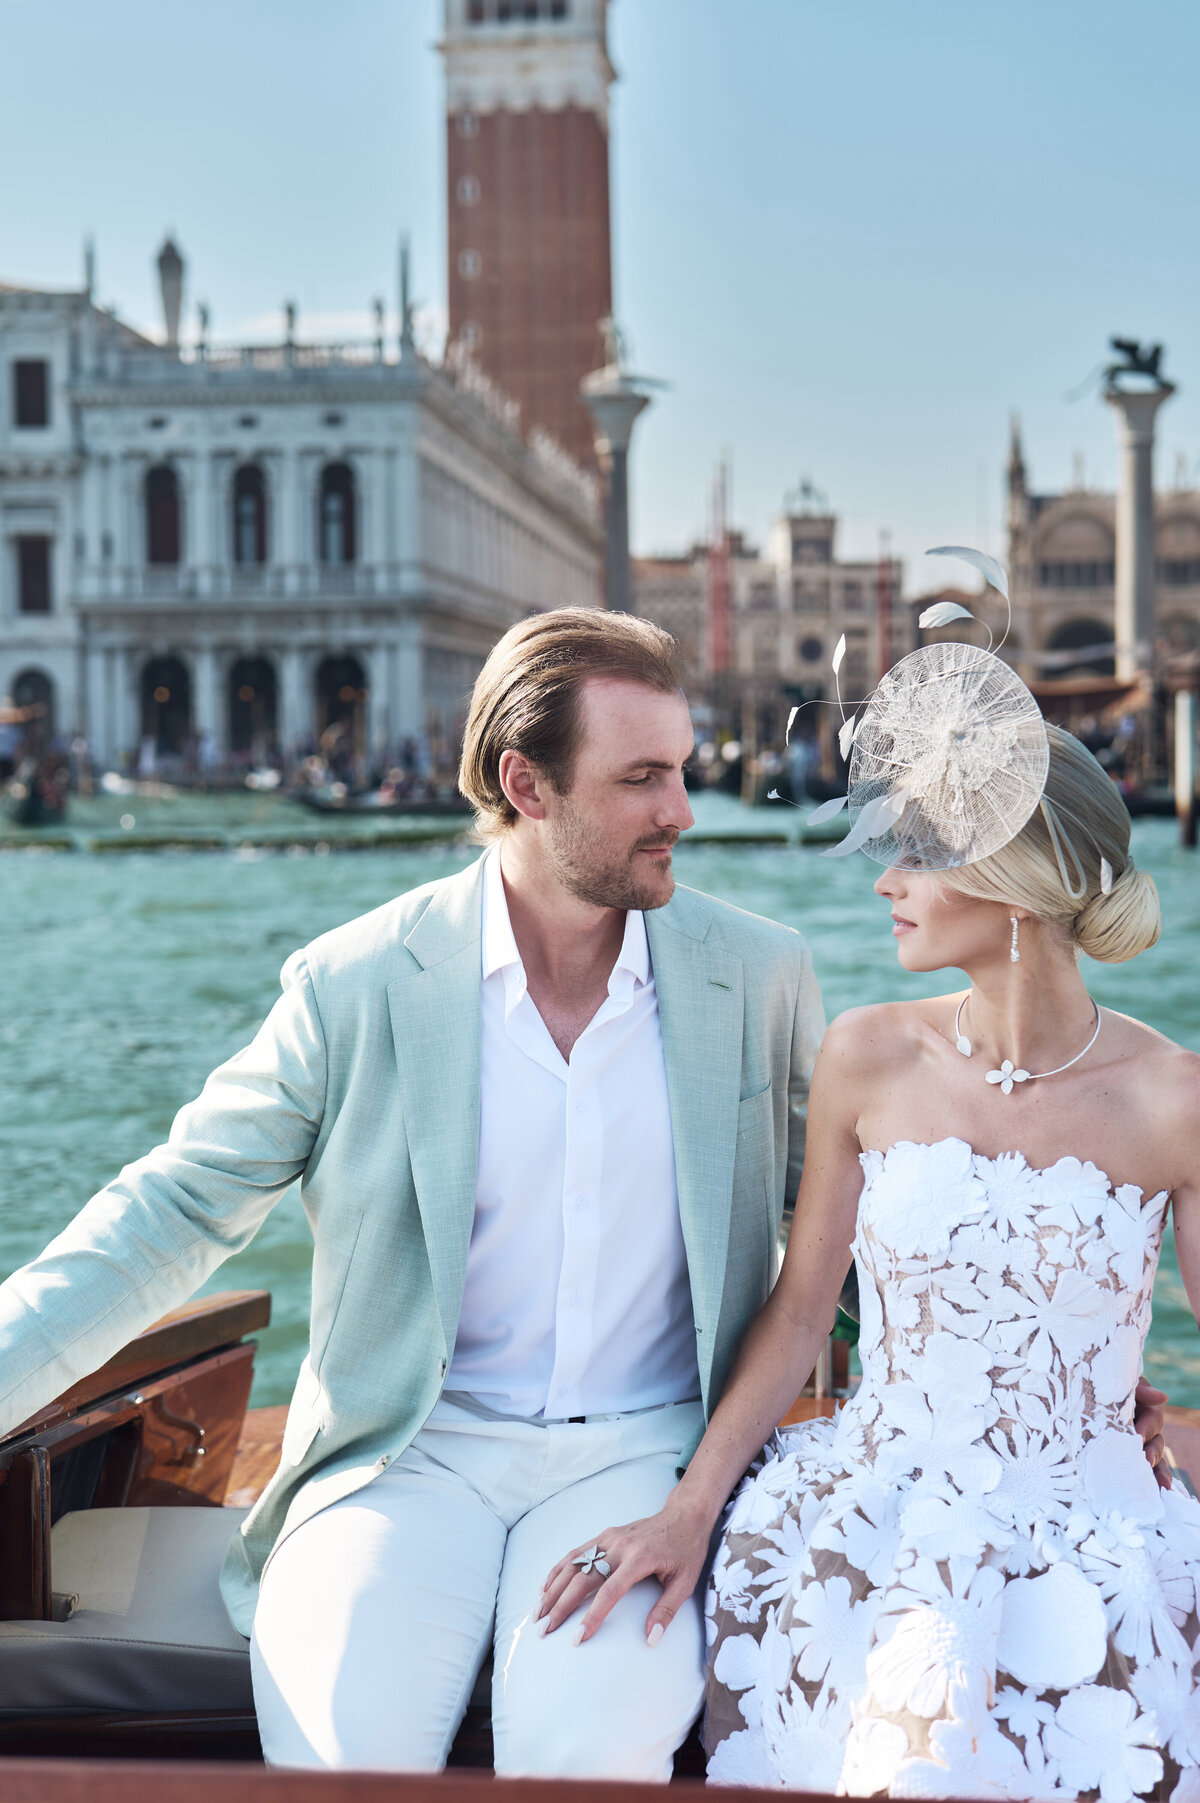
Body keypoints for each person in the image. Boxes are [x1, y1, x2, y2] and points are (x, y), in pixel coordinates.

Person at [0, 607, 823, 1778]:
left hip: (650, 1457)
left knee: (583, 1754)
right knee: (348, 1748)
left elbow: (851, 1235)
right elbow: (169, 1214)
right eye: (643, 778)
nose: (683, 811)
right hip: (403, 1455)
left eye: (681, 771)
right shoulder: (354, 982)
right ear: (524, 784)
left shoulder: (762, 974)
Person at [538, 629, 1198, 1798]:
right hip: (877, 1516)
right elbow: (801, 1322)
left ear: (1014, 882)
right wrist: (689, 1509)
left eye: (915, 856)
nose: (883, 883)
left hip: (1089, 1533)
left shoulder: (1171, 1098)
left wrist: (1177, 1433)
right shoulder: (867, 1055)